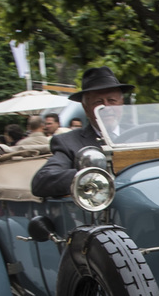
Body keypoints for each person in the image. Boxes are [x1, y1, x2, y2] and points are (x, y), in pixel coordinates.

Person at [32, 66, 134, 198]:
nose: (106, 107)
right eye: (98, 102)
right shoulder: (68, 142)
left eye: (112, 101)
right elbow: (42, 181)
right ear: (86, 109)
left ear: (121, 103)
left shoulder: (143, 137)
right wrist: (90, 175)